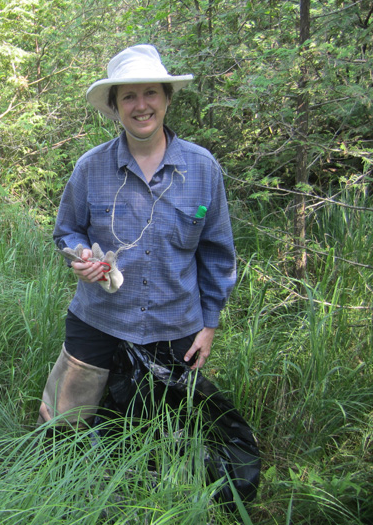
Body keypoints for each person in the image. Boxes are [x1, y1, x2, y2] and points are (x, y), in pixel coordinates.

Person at [38, 44, 236, 427]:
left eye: (150, 93)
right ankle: (68, 480)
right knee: (63, 420)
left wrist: (209, 325)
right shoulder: (91, 167)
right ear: (115, 106)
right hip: (97, 319)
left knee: (162, 430)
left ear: (167, 99)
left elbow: (217, 255)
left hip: (175, 325)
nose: (140, 105)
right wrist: (80, 255)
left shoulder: (202, 168)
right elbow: (66, 230)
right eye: (129, 96)